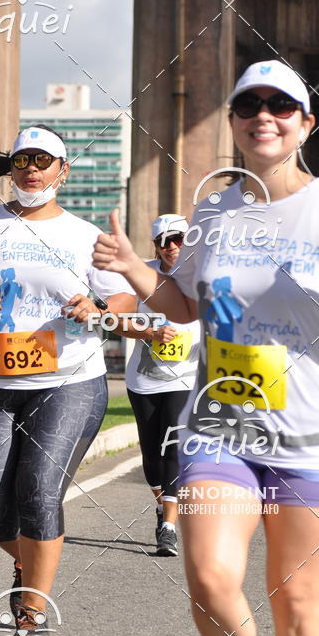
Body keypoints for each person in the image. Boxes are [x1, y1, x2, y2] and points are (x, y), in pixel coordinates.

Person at [93, 60, 319, 636]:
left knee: (300, 602)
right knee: (210, 577)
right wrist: (134, 266)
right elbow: (184, 304)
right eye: (248, 104)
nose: (264, 115)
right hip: (219, 426)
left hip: (306, 434)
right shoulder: (217, 209)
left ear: (306, 123)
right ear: (233, 121)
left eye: (280, 104)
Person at [0, 125, 133, 636]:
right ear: (13, 168)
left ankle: (33, 610)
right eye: (23, 160)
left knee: (40, 489)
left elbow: (125, 299)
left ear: (62, 172)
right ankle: (30, 560)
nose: (31, 170)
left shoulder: (86, 235)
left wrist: (99, 307)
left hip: (69, 381)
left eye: (43, 161)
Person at [123, 214, 200, 557]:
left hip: (187, 377)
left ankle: (168, 526)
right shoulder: (141, 274)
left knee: (174, 449)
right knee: (151, 457)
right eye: (163, 241)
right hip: (144, 380)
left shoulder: (204, 273)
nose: (171, 246)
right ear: (155, 245)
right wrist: (149, 332)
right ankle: (162, 504)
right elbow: (118, 322)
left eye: (178, 238)